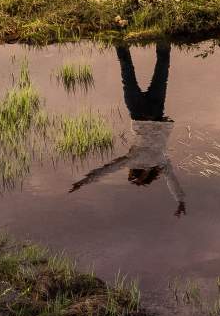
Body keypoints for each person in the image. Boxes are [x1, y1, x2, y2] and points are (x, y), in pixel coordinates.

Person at [69, 42, 186, 216]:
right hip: (138, 112)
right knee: (127, 71)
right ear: (134, 170)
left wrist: (181, 201)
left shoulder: (160, 162)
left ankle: (163, 37)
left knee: (162, 69)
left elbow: (171, 179)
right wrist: (84, 181)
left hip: (155, 112)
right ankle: (121, 40)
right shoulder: (134, 160)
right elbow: (107, 169)